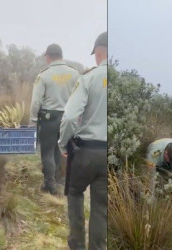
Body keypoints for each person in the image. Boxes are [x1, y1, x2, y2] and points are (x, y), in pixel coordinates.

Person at [58, 31, 107, 250]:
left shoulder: (89, 78)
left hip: (85, 151)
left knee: (76, 193)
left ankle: (76, 244)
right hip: (109, 154)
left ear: (98, 52)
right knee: (101, 208)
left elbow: (69, 117)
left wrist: (63, 143)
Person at [29, 43, 79, 195]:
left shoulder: (44, 75)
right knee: (61, 149)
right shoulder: (75, 74)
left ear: (48, 57)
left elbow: (36, 101)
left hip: (49, 118)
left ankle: (50, 184)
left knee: (48, 152)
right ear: (61, 56)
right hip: (69, 118)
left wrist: (33, 119)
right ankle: (59, 179)